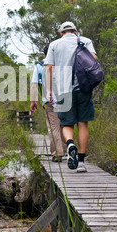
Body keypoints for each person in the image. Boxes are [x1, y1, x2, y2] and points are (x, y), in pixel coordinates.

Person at [45, 21, 97, 173]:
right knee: (83, 124)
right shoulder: (85, 41)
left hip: (63, 89)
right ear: (75, 32)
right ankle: (81, 162)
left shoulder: (54, 45)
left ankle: (69, 144)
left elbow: (49, 67)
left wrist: (49, 90)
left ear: (61, 33)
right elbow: (93, 59)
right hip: (83, 88)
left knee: (67, 124)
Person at [30, 44, 65, 162]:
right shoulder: (63, 63)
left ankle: (58, 153)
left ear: (45, 54)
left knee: (53, 127)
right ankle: (66, 151)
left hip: (50, 101)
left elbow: (34, 84)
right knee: (65, 125)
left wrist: (33, 101)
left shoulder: (40, 66)